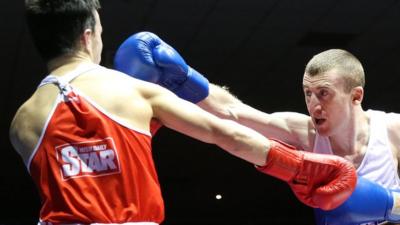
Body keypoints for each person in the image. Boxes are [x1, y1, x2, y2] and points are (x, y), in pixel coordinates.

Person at [9, 1, 357, 225]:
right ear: (88, 37)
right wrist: (298, 168)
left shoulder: (22, 121)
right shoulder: (131, 90)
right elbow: (226, 133)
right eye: (100, 32)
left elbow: (84, 175)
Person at [113, 31, 400, 225]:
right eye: (307, 93)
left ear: (356, 96)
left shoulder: (392, 130)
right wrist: (184, 77)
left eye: (324, 93)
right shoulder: (303, 132)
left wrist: (388, 206)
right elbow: (232, 112)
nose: (313, 105)